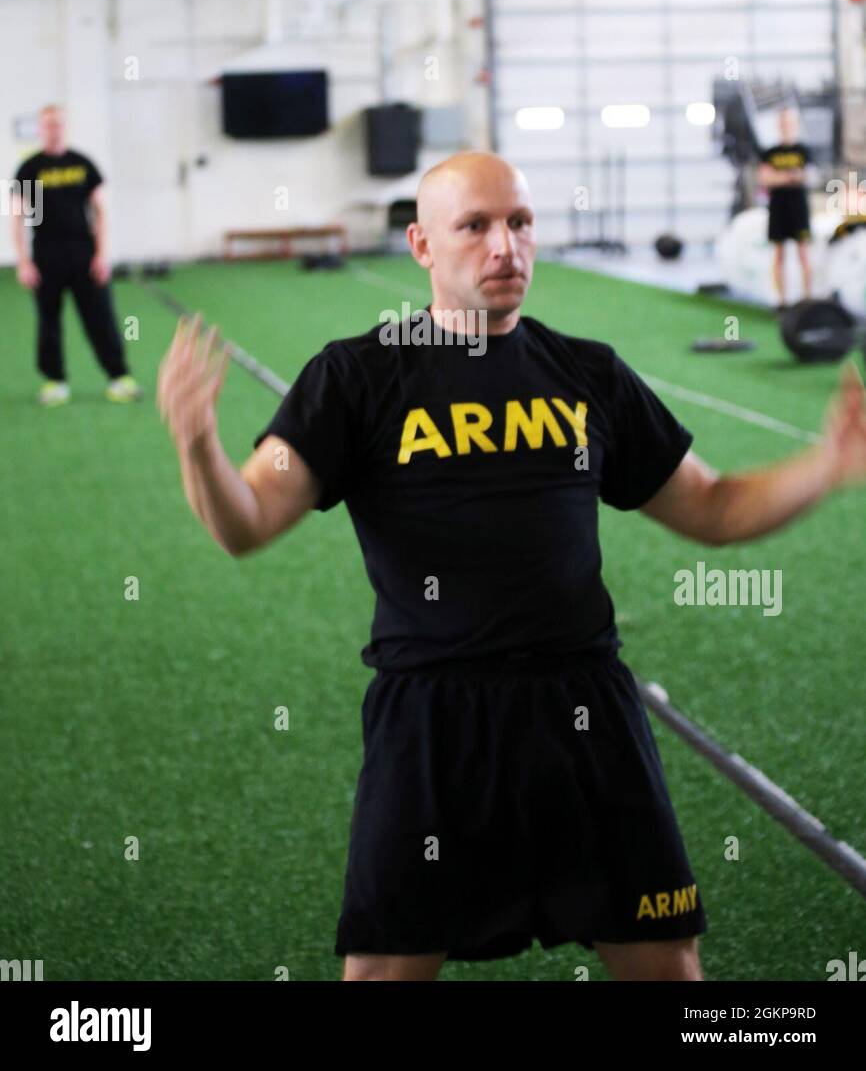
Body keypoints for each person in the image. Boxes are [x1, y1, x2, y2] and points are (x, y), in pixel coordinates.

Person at [157, 151, 866, 982]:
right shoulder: (354, 376)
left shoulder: (587, 372)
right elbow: (245, 523)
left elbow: (710, 509)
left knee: (668, 962)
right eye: (477, 227)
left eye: (521, 223)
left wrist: (825, 464)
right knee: (384, 970)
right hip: (433, 716)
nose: (506, 247)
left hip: (585, 704)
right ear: (423, 246)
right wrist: (199, 446)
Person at [11, 104, 142, 406]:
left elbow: (100, 212)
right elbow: (15, 216)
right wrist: (23, 261)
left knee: (100, 317)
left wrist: (102, 254)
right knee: (48, 321)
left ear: (64, 127)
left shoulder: (82, 164)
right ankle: (55, 381)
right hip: (45, 256)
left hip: (84, 254)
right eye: (47, 124)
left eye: (58, 123)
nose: (53, 129)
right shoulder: (29, 168)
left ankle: (118, 377)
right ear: (40, 129)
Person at [757, 104, 813, 311]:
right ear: (778, 126)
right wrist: (789, 177)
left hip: (798, 207)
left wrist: (781, 177)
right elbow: (765, 179)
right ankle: (782, 302)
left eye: (790, 123)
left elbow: (806, 176)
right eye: (783, 123)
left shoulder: (803, 151)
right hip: (778, 207)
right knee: (779, 254)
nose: (786, 126)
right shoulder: (770, 152)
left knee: (804, 253)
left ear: (795, 125)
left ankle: (808, 299)